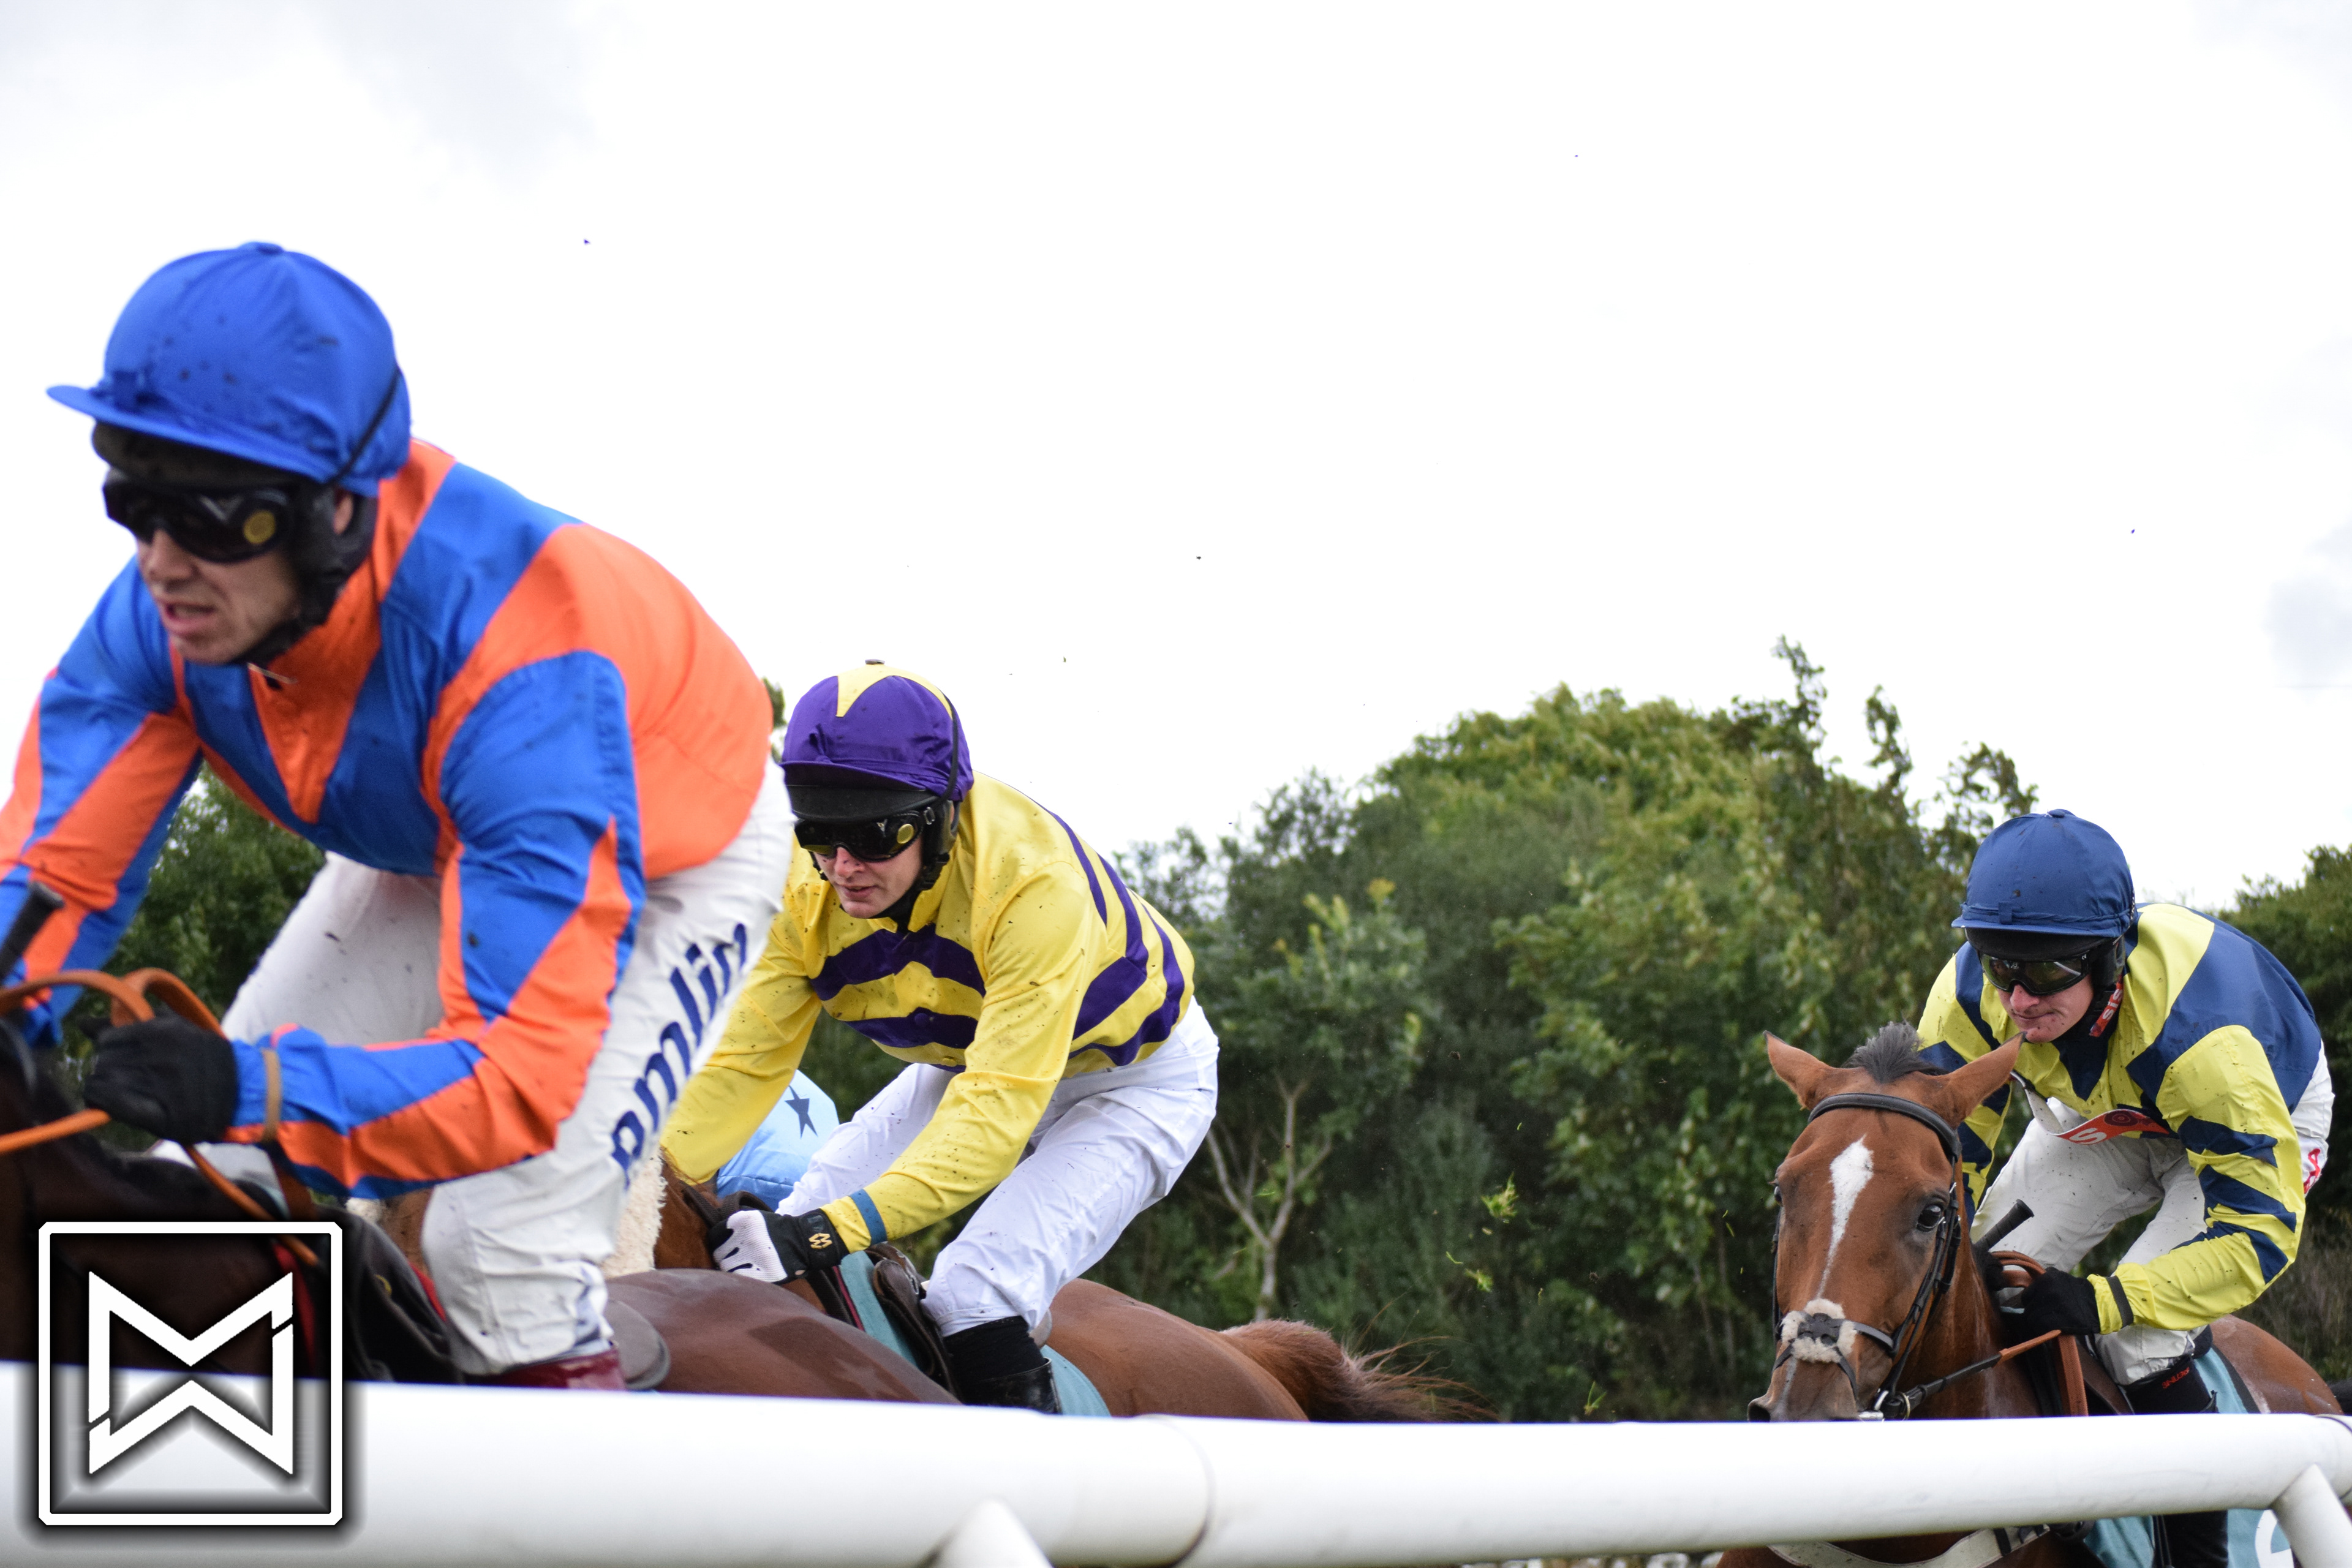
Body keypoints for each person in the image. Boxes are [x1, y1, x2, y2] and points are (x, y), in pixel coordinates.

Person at [2, 242, 791, 1387]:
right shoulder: (156, 620)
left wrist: (256, 1087)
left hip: (679, 854)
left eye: (216, 518)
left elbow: (513, 1086)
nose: (162, 566)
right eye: (136, 501)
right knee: (209, 1175)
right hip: (444, 834)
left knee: (497, 1252)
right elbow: (51, 888)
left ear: (336, 509)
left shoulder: (520, 667)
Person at [661, 664, 1218, 1411]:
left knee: (972, 1294)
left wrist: (831, 1231)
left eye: (874, 835)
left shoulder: (1035, 887)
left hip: (1136, 1082)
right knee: (792, 1223)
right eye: (819, 832)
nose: (843, 869)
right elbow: (740, 1069)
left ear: (943, 818)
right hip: (971, 1059)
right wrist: (637, 1180)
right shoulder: (802, 886)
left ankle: (1035, 1474)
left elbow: (991, 1120)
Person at [1915, 809, 2331, 1568]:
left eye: (2046, 972)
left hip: (2249, 1113)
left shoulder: (2207, 1045)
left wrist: (2104, 1299)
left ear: (2111, 957)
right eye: (2000, 964)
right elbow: (1948, 1164)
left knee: (2138, 1335)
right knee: (1981, 1280)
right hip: (2113, 1109)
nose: (2017, 1000)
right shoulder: (1970, 992)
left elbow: (2260, 1238)